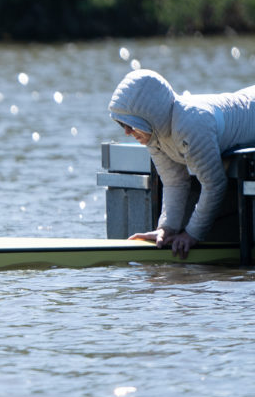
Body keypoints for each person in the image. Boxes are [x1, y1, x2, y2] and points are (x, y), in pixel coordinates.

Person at [108, 68, 255, 259]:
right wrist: (167, 228)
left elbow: (214, 184)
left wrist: (192, 234)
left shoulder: (190, 125)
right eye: (122, 124)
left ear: (153, 115)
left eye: (131, 124)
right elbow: (174, 181)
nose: (127, 132)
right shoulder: (153, 135)